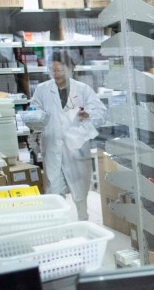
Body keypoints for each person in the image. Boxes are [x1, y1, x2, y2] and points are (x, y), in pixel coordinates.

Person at [28, 58, 107, 220]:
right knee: (54, 189)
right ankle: (58, 224)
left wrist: (88, 114)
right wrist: (35, 118)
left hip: (76, 147)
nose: (56, 74)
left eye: (60, 70)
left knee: (80, 189)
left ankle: (83, 220)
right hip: (52, 145)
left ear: (70, 69)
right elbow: (33, 111)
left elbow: (101, 112)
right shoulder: (42, 89)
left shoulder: (82, 89)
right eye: (54, 70)